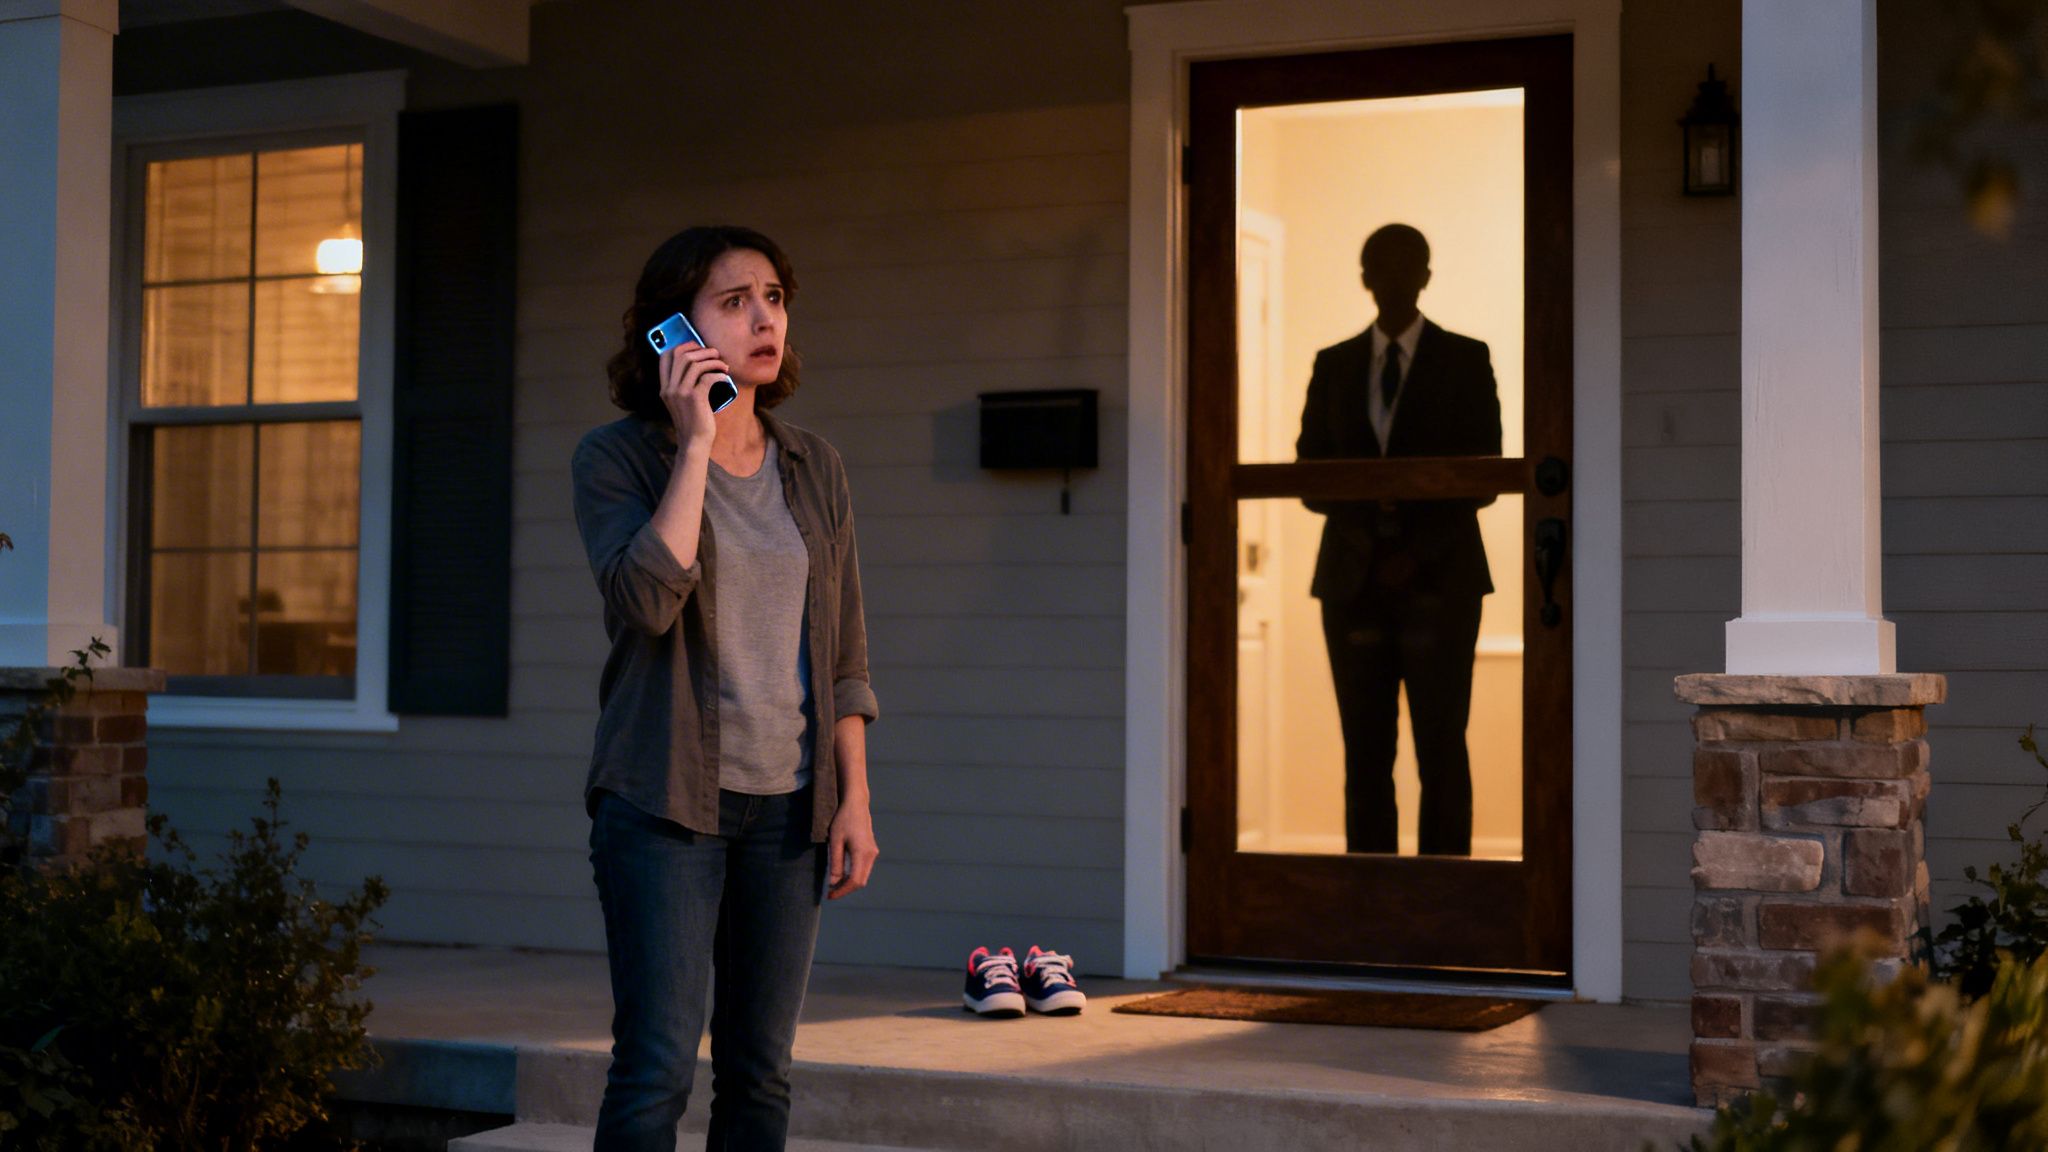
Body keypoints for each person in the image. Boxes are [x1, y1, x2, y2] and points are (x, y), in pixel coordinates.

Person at [571, 225, 880, 1151]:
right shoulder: (618, 458)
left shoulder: (814, 466)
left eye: (774, 298)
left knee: (760, 1073)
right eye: (733, 300)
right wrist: (697, 442)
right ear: (676, 331)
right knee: (657, 1066)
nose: (763, 318)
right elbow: (645, 603)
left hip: (790, 813)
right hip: (664, 804)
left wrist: (854, 797)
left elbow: (844, 648)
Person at [1296, 224, 1501, 856]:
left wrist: (1415, 550)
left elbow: (1484, 472)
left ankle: (1445, 898)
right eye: (1378, 268)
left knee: (1442, 745)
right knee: (1364, 749)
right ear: (1364, 280)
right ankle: (1371, 898)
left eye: (1405, 267)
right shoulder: (1333, 365)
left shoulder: (1466, 358)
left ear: (1426, 277)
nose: (1391, 281)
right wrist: (1375, 542)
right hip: (1352, 581)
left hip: (1443, 579)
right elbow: (1310, 474)